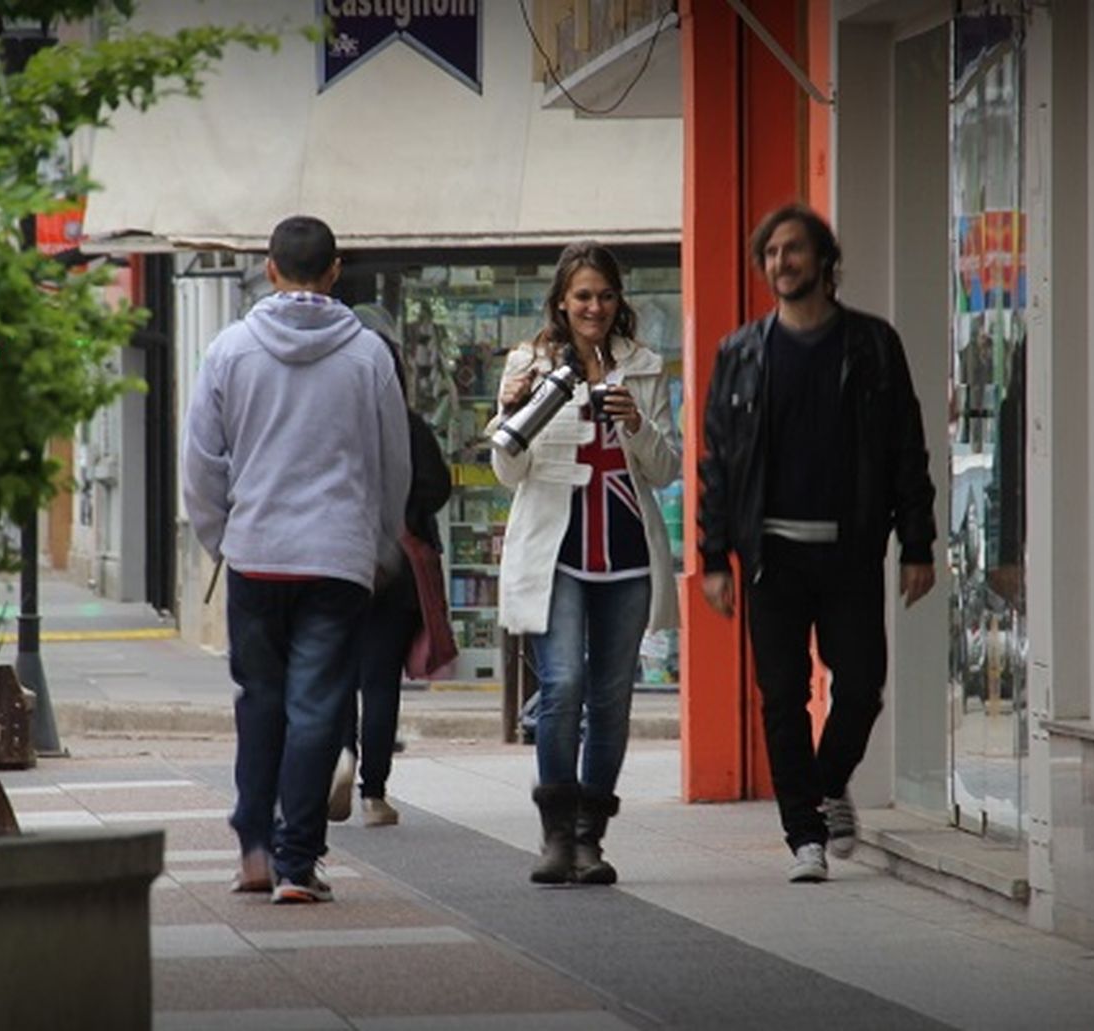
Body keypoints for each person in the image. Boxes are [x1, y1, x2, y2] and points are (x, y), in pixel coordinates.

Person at [698, 203, 937, 883]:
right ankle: (804, 834)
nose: (781, 262)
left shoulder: (872, 345)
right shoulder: (741, 352)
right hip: (772, 553)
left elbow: (905, 449)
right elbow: (719, 462)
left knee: (861, 685)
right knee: (783, 696)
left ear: (825, 261)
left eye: (794, 250)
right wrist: (715, 557)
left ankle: (826, 788)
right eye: (771, 253)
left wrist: (917, 542)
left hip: (851, 549)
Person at [182, 216, 410, 903]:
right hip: (337, 557)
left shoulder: (229, 350)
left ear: (270, 269)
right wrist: (379, 543)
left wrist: (221, 536)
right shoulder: (369, 355)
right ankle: (296, 860)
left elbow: (200, 462)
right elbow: (391, 463)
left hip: (256, 553)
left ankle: (253, 844)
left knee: (262, 701)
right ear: (335, 269)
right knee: (317, 706)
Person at [492, 240, 680, 885]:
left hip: (626, 552)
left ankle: (588, 837)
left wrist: (636, 426)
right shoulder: (528, 362)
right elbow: (506, 469)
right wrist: (514, 411)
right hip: (558, 552)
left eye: (604, 295)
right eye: (582, 296)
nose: (594, 307)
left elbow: (667, 469)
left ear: (617, 299)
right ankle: (553, 835)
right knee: (564, 684)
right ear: (561, 301)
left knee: (612, 697)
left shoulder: (646, 366)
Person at [325, 303, 453, 827]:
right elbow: (437, 487)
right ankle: (374, 794)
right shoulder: (409, 424)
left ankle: (340, 753)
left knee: (331, 672)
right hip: (394, 568)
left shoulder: (330, 424)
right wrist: (408, 516)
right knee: (379, 682)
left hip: (336, 561)